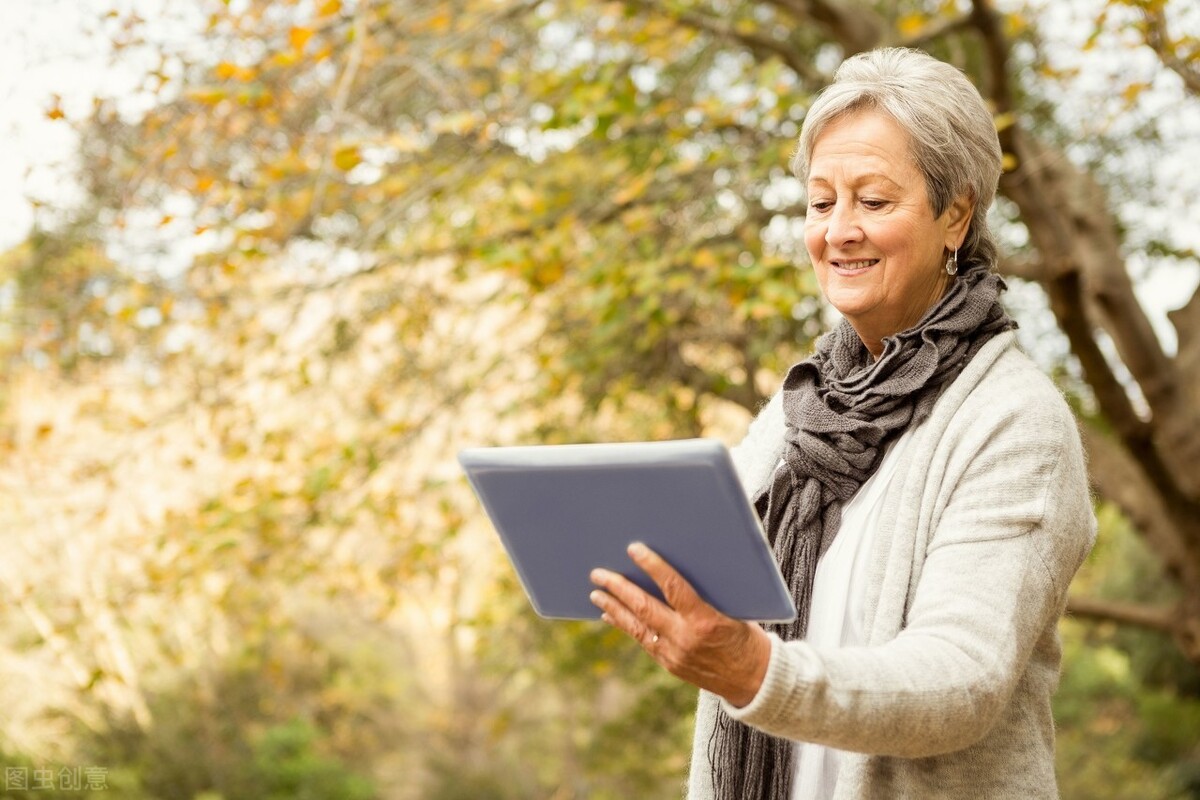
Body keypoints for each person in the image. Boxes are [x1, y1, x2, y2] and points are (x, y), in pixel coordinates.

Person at [588, 47, 1096, 799]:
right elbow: (718, 576)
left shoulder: (1014, 422)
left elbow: (961, 681)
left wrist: (754, 671)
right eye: (822, 203)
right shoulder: (802, 405)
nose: (839, 231)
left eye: (874, 201)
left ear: (956, 213)